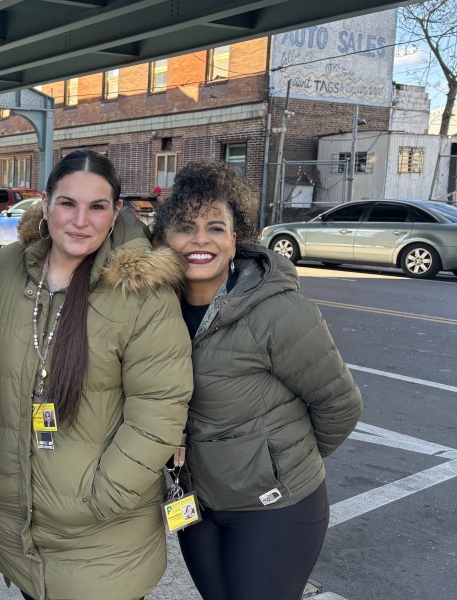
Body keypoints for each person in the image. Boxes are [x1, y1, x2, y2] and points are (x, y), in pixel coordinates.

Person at [0, 149, 194, 600]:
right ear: (46, 204)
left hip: (103, 539)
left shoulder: (141, 293)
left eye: (97, 207)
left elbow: (161, 408)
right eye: (68, 203)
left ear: (114, 214)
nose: (80, 221)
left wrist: (103, 496)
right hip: (18, 530)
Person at [153, 161, 362, 600]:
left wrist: (275, 465)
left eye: (215, 227)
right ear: (164, 239)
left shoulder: (278, 311)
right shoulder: (153, 312)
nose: (200, 240)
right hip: (196, 504)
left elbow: (340, 405)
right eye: (185, 227)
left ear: (235, 238)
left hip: (275, 506)